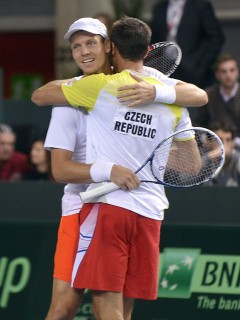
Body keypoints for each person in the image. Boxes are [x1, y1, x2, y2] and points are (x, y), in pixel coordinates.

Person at [32, 17, 207, 320]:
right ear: (147, 49)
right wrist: (159, 94)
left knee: (108, 303)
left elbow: (38, 95)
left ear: (109, 46)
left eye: (91, 43)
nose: (84, 51)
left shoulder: (102, 88)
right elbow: (192, 163)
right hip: (134, 209)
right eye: (76, 46)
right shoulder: (170, 93)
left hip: (109, 207)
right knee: (82, 307)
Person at [150, 0, 225, 88]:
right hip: (165, 71)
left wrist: (201, 66)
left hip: (193, 70)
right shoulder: (159, 8)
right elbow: (155, 41)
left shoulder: (200, 6)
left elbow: (215, 38)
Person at [194, 53, 240, 146]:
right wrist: (205, 140)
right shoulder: (208, 95)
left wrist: (233, 143)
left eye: (232, 70)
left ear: (237, 72)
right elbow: (198, 124)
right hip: (212, 145)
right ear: (217, 75)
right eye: (224, 71)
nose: (228, 75)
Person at [204, 121, 240, 186]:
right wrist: (209, 157)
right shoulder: (203, 160)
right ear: (208, 142)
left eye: (228, 140)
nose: (224, 145)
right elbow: (186, 179)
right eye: (219, 140)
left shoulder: (237, 158)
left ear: (233, 143)